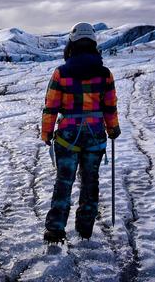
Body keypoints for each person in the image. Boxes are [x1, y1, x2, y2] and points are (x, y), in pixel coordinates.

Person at [40, 22, 121, 242]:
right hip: (95, 133)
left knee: (64, 182)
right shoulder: (105, 74)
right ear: (93, 44)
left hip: (67, 134)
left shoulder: (61, 73)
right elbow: (109, 106)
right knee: (90, 181)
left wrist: (46, 132)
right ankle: (85, 228)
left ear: (72, 44)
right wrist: (113, 128)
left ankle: (55, 229)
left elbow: (51, 106)